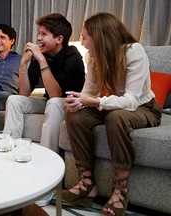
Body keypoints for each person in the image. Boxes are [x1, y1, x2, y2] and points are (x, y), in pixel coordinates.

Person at [62, 12, 162, 216]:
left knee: (115, 117)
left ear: (99, 36)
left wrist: (95, 101)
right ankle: (87, 183)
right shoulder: (93, 56)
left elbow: (132, 100)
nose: (83, 42)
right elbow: (88, 91)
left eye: (85, 36)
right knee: (75, 115)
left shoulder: (134, 51)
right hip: (114, 104)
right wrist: (78, 102)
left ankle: (120, 189)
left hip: (143, 107)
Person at [3, 13, 85, 152]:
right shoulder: (42, 53)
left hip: (72, 104)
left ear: (59, 39)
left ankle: (48, 156)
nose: (38, 38)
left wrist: (41, 59)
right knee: (14, 100)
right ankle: (9, 149)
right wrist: (24, 63)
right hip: (50, 101)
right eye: (39, 33)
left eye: (44, 34)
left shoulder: (72, 56)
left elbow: (55, 94)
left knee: (53, 103)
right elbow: (24, 93)